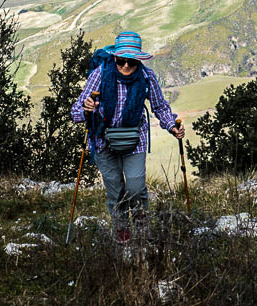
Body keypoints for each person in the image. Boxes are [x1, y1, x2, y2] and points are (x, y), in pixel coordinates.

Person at [71, 31, 184, 243]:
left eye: (131, 61)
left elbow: (160, 106)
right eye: (121, 60)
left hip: (135, 139)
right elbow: (75, 111)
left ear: (138, 60)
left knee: (135, 187)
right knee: (115, 189)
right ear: (114, 57)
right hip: (103, 139)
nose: (125, 66)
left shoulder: (146, 77)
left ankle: (142, 233)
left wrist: (172, 126)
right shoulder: (100, 74)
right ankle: (122, 234)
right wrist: (86, 109)